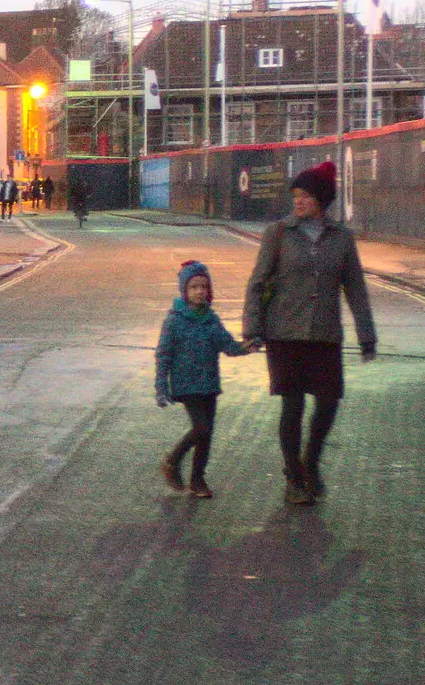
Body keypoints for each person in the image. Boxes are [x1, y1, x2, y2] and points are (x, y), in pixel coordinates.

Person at [243, 160, 377, 504]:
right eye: (296, 195)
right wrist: (252, 329)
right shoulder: (279, 233)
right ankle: (293, 479)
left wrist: (366, 335)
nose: (298, 200)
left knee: (329, 402)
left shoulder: (342, 239)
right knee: (292, 406)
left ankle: (311, 463)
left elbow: (356, 289)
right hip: (284, 332)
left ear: (320, 198)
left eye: (304, 195)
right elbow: (257, 283)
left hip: (324, 333)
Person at [156, 261, 257, 499]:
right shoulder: (175, 320)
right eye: (193, 287)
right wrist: (161, 385)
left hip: (209, 384)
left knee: (206, 433)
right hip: (186, 384)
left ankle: (197, 479)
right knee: (201, 428)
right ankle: (172, 461)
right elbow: (163, 353)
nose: (199, 291)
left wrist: (246, 347)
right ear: (184, 291)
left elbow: (227, 345)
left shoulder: (212, 320)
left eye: (203, 286)